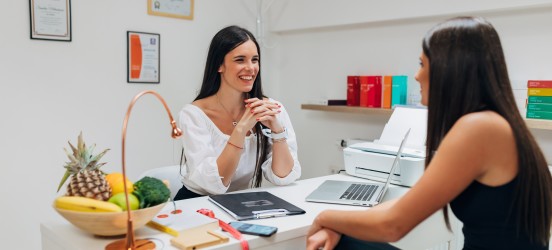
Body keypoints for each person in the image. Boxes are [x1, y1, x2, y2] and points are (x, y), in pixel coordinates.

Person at [307, 16, 552, 250]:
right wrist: (338, 224)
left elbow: (393, 225)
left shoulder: (479, 128)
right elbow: (404, 205)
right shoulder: (497, 123)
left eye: (423, 64)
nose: (417, 75)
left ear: (453, 68)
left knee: (341, 245)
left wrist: (325, 218)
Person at [174, 25, 301, 200]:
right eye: (240, 60)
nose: (251, 68)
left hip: (241, 201)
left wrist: (277, 131)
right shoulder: (193, 115)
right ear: (219, 65)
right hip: (196, 202)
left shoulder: (271, 109)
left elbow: (284, 177)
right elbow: (215, 184)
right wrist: (241, 130)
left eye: (254, 60)